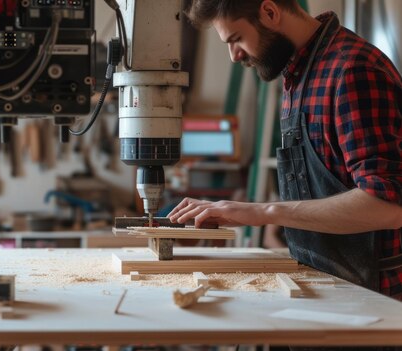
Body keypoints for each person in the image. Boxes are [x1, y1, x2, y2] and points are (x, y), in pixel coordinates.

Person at [169, 0, 402, 300]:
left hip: (375, 303)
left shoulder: (352, 70)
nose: (234, 55)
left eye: (236, 38)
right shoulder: (299, 74)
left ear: (269, 12)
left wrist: (265, 211)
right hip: (329, 286)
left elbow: (388, 205)